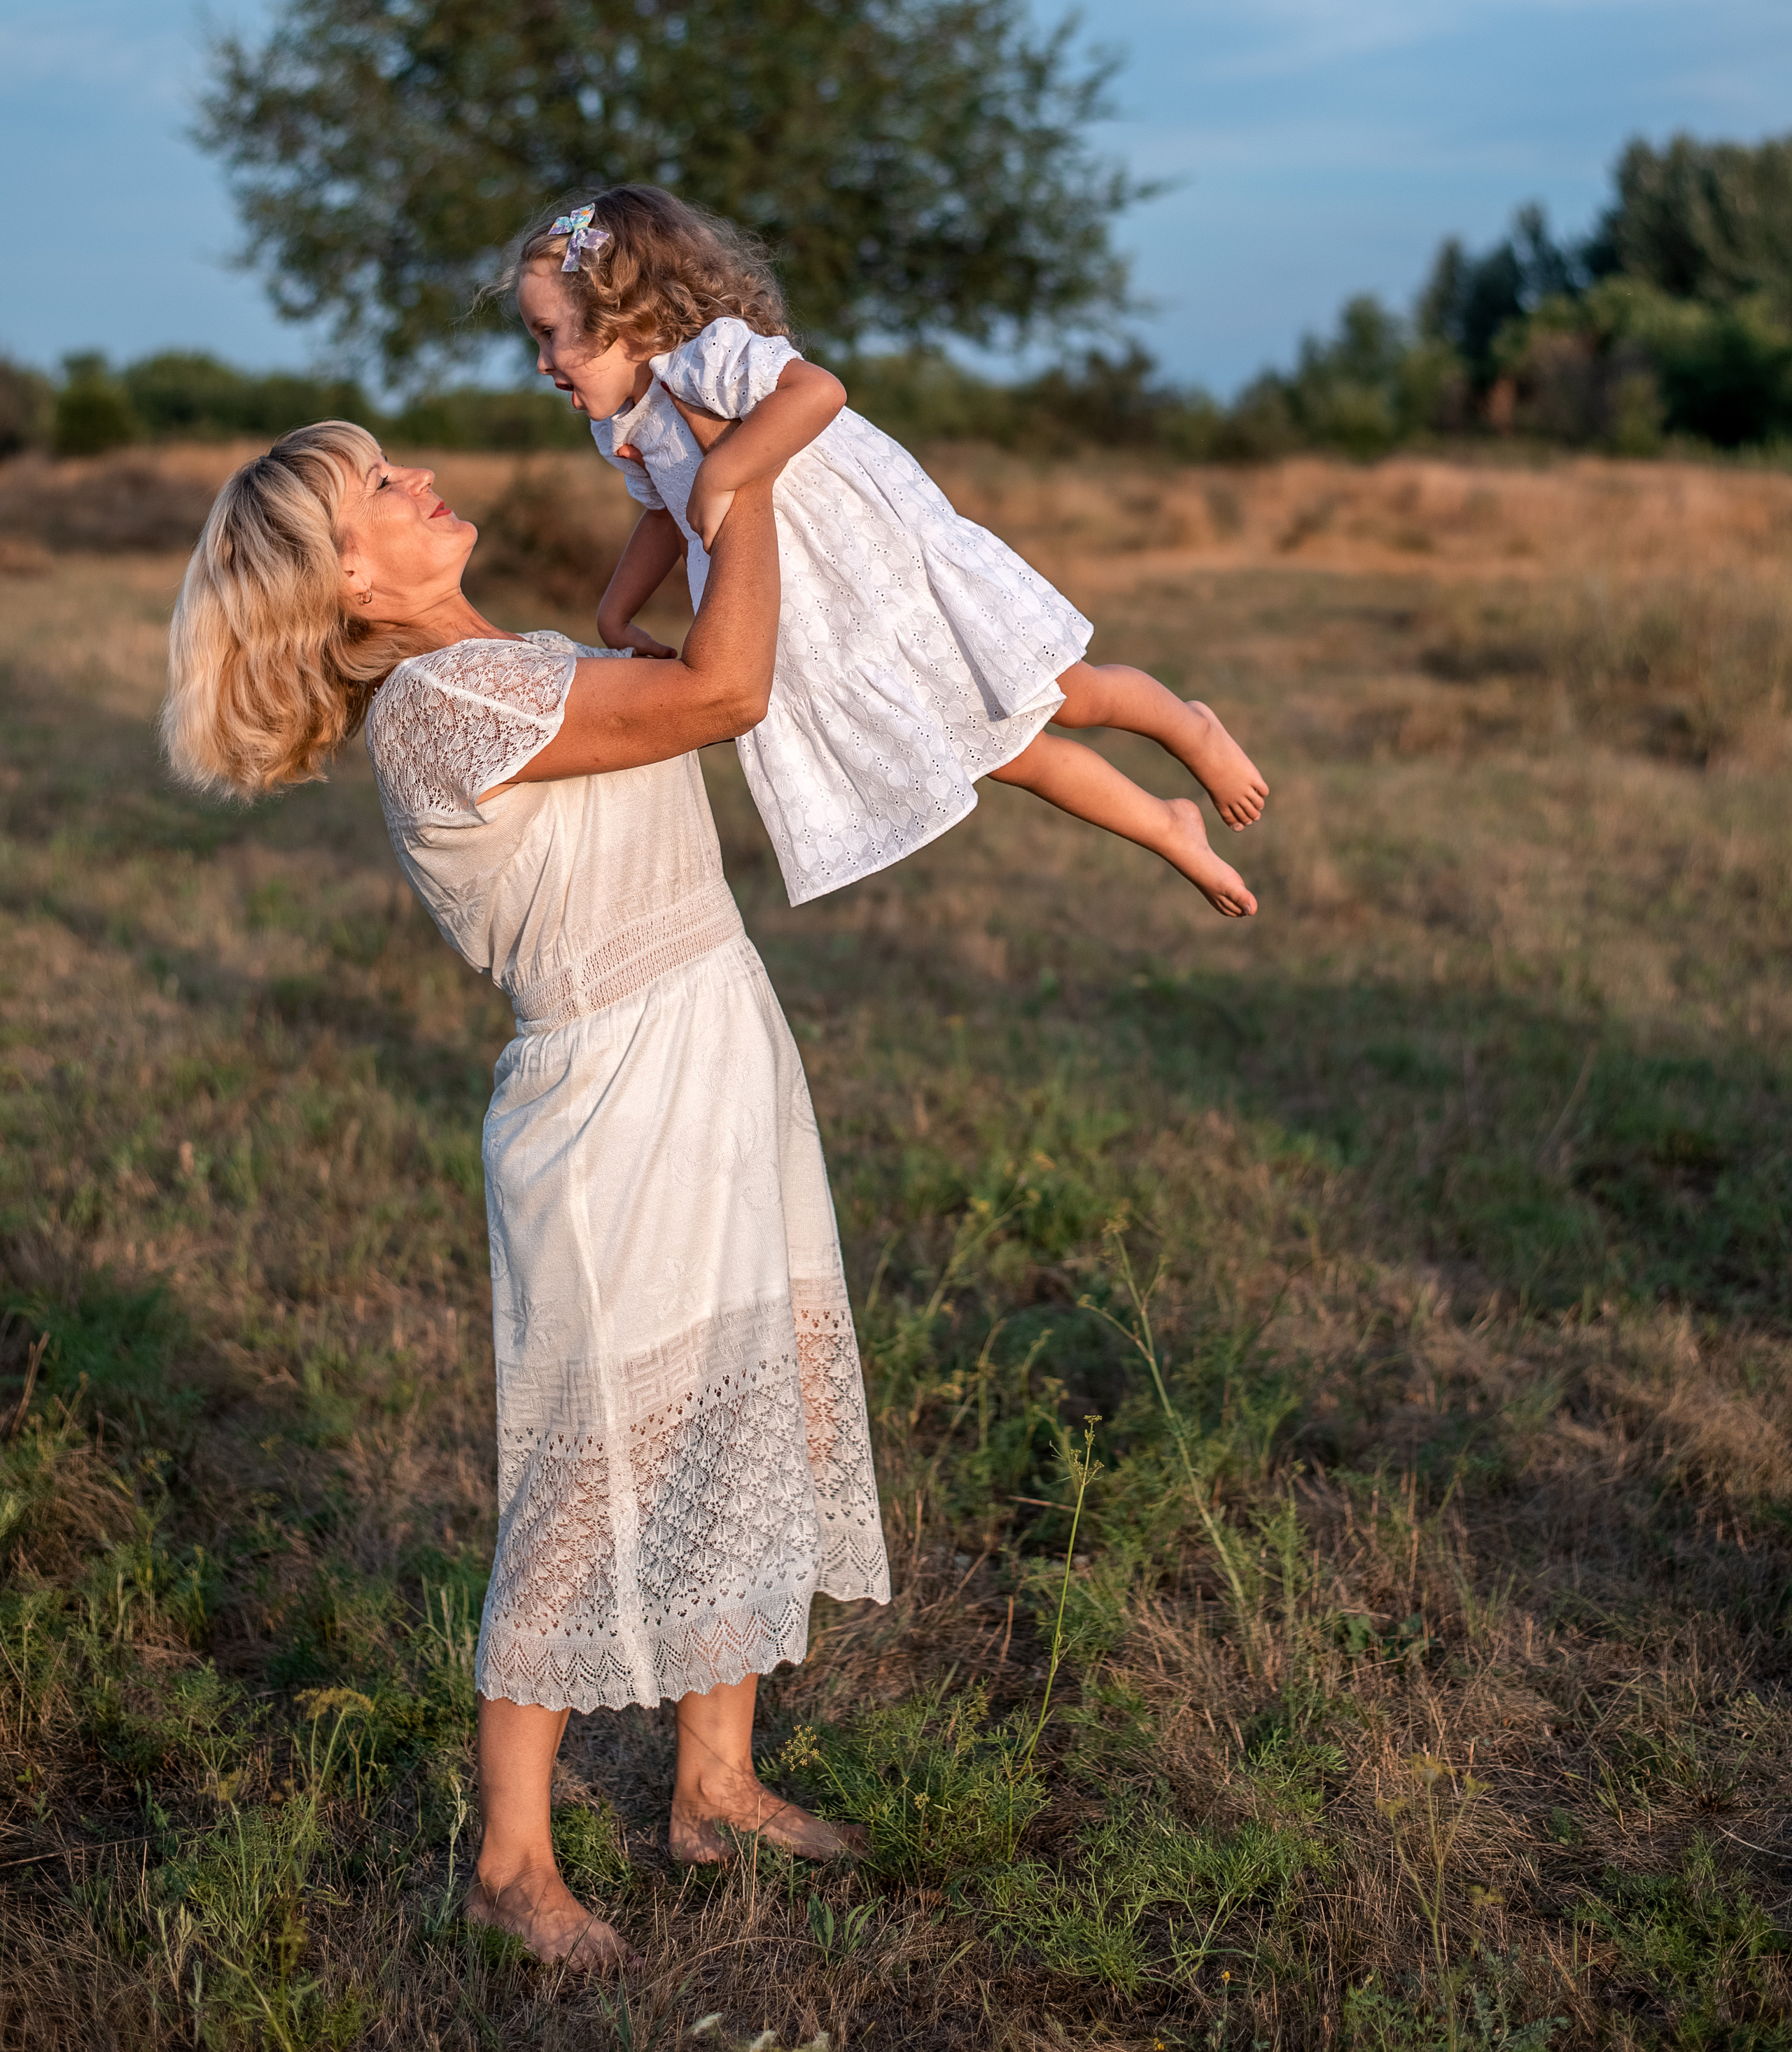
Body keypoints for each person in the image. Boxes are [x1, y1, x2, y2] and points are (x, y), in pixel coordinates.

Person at [162, 423, 889, 1969]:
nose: (418, 476)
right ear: (347, 580)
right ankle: (506, 1863)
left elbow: (678, 649)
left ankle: (712, 1783)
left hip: (713, 1042)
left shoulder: (522, 662)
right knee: (590, 1469)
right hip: (614, 1102)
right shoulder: (435, 707)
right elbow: (723, 689)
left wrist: (690, 476)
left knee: (739, 1398)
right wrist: (734, 482)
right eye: (379, 490)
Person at [505, 187, 1268, 917]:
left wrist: (726, 468)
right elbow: (666, 520)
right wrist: (616, 610)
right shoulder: (624, 427)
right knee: (1004, 756)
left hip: (888, 573)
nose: (540, 362)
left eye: (549, 333)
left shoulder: (709, 358)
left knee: (1070, 694)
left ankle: (1187, 726)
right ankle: (1166, 825)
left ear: (624, 315)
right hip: (823, 620)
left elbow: (817, 393)